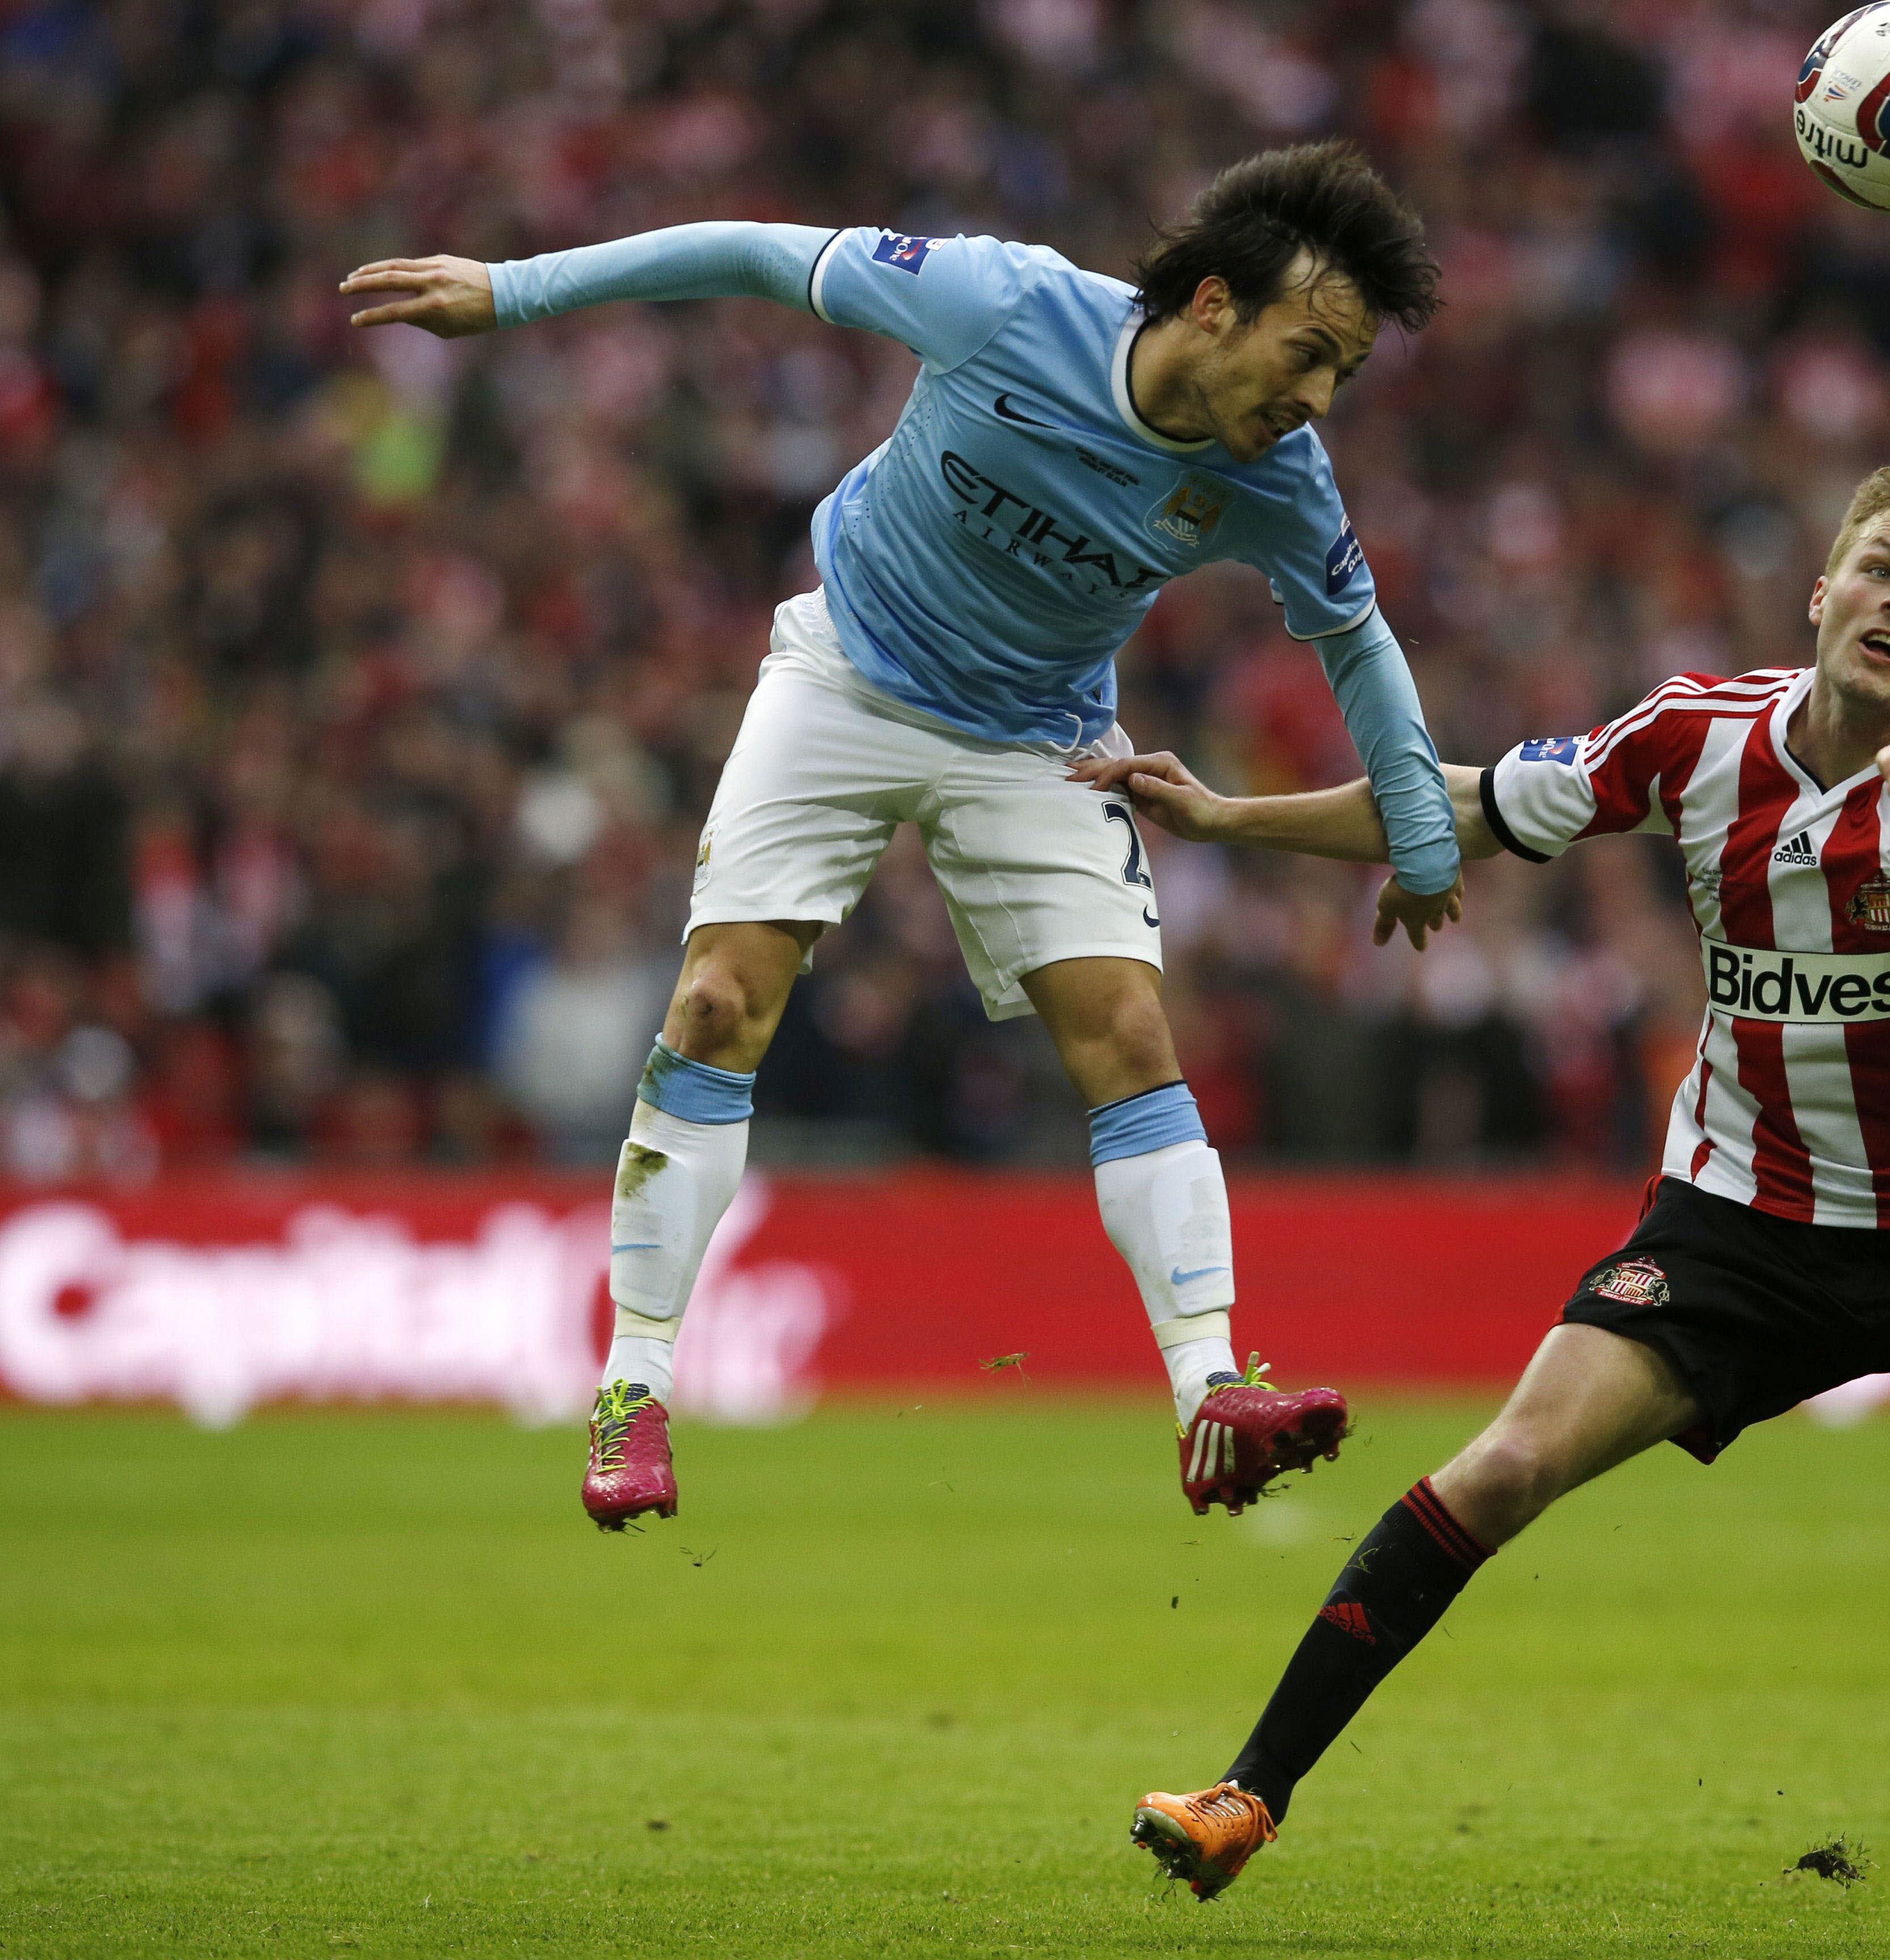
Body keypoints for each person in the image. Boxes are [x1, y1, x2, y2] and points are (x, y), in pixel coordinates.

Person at [1085, 463, 1890, 1912]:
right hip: (1739, 1228)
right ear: (1823, 590)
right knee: (1506, 1467)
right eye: (1880, 569)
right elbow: (1477, 805)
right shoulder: (1694, 733)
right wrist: (1232, 822)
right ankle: (1249, 1795)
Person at [340, 142, 1465, 1527]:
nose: (1315, 399)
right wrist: (511, 292)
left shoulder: (1283, 478)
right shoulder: (1007, 303)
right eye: (1309, 352)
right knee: (714, 1000)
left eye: (1339, 376)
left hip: (1041, 738)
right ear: (1217, 306)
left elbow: (1360, 643)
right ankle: (634, 1392)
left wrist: (1419, 840)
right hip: (850, 680)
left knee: (1126, 1036)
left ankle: (1209, 1395)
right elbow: (758, 250)